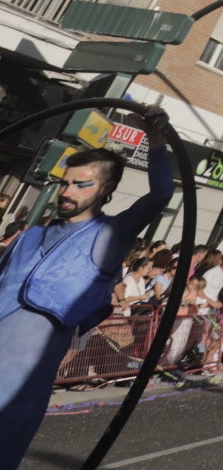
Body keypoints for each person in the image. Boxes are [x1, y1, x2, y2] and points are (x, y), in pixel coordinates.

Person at [0, 109, 173, 470]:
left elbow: (161, 194)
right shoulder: (30, 235)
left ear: (106, 190)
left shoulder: (109, 234)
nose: (68, 191)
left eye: (82, 184)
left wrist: (156, 137)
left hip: (20, 382)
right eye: (66, 182)